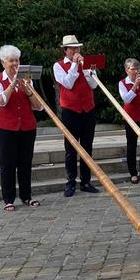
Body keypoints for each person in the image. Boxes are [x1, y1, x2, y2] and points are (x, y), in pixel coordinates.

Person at [0, 45, 42, 211]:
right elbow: (1, 101)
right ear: (3, 63)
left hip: (26, 127)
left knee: (26, 163)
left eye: (16, 60)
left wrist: (28, 89)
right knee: (7, 164)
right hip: (5, 128)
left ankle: (26, 196)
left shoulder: (27, 79)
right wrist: (13, 84)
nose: (14, 64)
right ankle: (8, 199)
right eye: (11, 61)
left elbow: (38, 106)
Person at [54, 34, 99, 197]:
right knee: (71, 148)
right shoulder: (58, 66)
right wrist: (74, 65)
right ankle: (70, 183)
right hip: (70, 111)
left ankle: (86, 182)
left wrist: (88, 71)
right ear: (65, 50)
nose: (76, 50)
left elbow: (94, 85)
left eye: (77, 48)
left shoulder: (86, 64)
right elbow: (68, 83)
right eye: (72, 48)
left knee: (87, 146)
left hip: (88, 109)